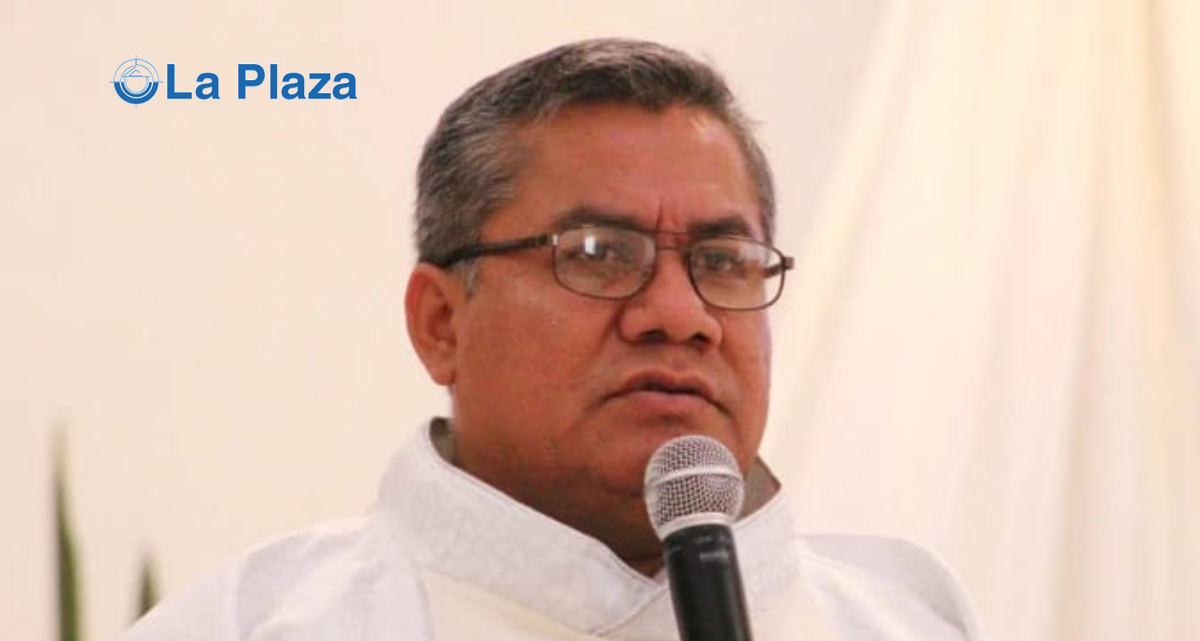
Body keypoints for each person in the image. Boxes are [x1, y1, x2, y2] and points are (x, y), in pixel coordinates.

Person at [121, 38, 985, 641]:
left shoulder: (908, 622)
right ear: (441, 323)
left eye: (723, 261)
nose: (679, 313)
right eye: (599, 253)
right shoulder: (250, 624)